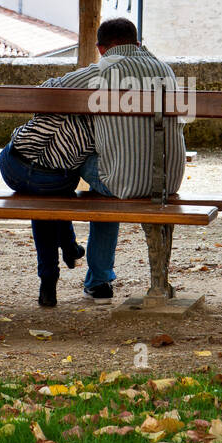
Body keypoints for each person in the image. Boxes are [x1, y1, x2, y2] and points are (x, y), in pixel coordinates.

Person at [42, 18, 185, 302]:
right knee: (105, 182)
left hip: (124, 182)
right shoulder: (164, 69)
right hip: (168, 180)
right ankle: (98, 279)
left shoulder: (104, 70)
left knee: (81, 157)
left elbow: (49, 90)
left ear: (101, 48)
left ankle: (98, 278)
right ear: (138, 43)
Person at [0, 108, 91, 307]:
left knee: (47, 199)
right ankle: (66, 250)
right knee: (56, 191)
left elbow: (24, 131)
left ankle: (51, 279)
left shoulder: (59, 90)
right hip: (51, 182)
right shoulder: (101, 112)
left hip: (12, 168)